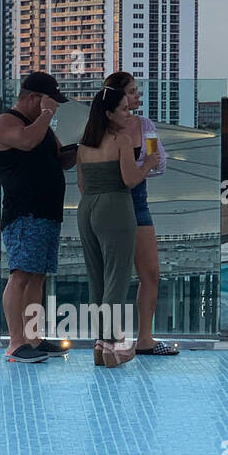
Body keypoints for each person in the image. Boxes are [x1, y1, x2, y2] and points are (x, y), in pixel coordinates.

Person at [0, 72, 75, 364]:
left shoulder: (43, 129)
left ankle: (33, 337)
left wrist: (83, 148)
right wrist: (47, 114)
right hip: (24, 213)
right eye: (48, 102)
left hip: (48, 213)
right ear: (31, 98)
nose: (52, 109)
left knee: (37, 276)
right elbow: (26, 142)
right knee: (21, 274)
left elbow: (59, 157)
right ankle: (16, 342)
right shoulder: (5, 122)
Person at [76, 73, 157, 367]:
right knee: (117, 278)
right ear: (109, 113)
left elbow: (82, 185)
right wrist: (147, 162)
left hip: (87, 210)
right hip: (115, 207)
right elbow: (130, 179)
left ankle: (99, 343)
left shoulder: (84, 145)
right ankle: (113, 345)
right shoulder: (122, 140)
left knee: (96, 277)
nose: (128, 113)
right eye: (123, 109)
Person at [113, 77, 177, 356]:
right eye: (130, 93)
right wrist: (142, 165)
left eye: (136, 92)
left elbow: (159, 163)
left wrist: (135, 167)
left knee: (150, 272)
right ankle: (109, 338)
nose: (135, 98)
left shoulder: (144, 125)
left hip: (138, 202)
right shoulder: (102, 130)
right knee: (113, 275)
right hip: (111, 202)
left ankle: (145, 338)